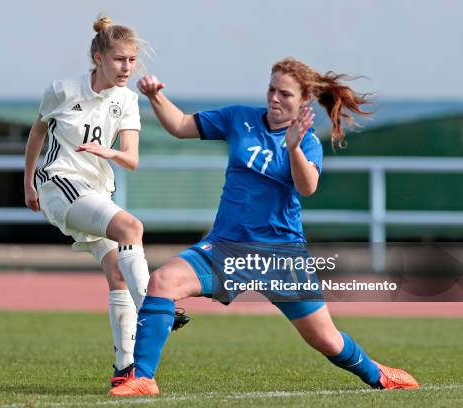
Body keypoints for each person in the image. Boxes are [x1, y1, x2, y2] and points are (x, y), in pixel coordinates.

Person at [109, 57, 420, 396]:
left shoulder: (308, 142)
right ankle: (143, 378)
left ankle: (378, 374)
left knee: (326, 339)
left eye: (285, 93)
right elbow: (182, 125)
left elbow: (307, 187)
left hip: (280, 256)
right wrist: (155, 96)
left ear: (303, 101)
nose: (274, 97)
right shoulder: (239, 118)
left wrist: (295, 148)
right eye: (272, 89)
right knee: (162, 280)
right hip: (226, 247)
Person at [23, 15, 189, 388]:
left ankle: (124, 368)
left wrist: (107, 152)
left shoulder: (128, 101)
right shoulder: (62, 90)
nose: (126, 67)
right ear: (98, 56)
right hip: (58, 184)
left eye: (131, 60)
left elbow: (131, 158)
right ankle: (155, 304)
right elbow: (38, 130)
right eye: (119, 59)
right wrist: (29, 181)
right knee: (132, 227)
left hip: (95, 192)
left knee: (117, 273)